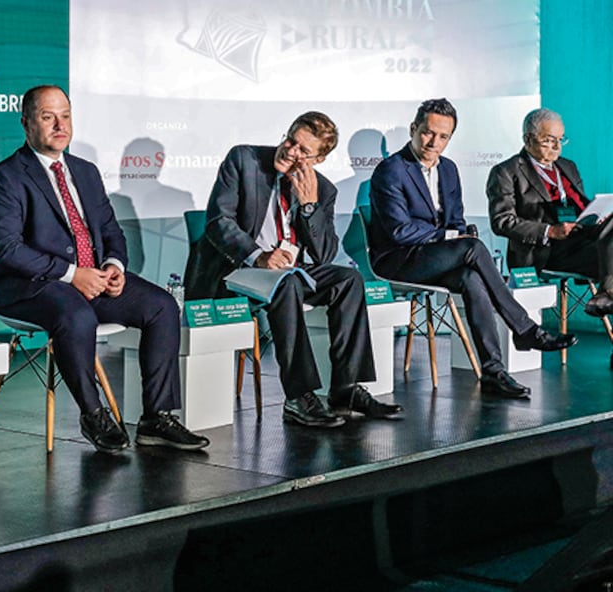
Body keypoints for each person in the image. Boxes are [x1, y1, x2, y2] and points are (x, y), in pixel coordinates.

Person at [0, 85, 208, 454]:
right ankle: (93, 414)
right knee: (76, 314)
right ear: (26, 124)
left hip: (91, 277)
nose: (60, 125)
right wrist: (73, 275)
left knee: (161, 306)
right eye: (47, 116)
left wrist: (113, 266)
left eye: (66, 116)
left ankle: (156, 417)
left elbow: (109, 230)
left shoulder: (84, 172)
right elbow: (8, 251)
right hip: (27, 285)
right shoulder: (6, 176)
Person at [183, 112, 402, 428]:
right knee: (283, 284)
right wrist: (258, 256)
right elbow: (219, 222)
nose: (290, 151)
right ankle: (299, 397)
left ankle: (346, 389)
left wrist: (310, 206)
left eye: (303, 150)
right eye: (290, 140)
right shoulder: (244, 159)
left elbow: (324, 255)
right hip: (237, 270)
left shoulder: (323, 190)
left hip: (291, 272)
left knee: (349, 280)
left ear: (319, 159)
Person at [369, 98, 575, 399]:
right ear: (414, 129)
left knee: (472, 278)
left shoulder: (449, 169)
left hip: (434, 256)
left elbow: (456, 220)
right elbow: (400, 231)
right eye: (428, 132)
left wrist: (455, 234)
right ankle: (525, 329)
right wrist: (450, 236)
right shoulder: (391, 170)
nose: (434, 141)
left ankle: (493, 371)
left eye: (443, 137)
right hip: (398, 259)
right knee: (473, 248)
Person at [487, 107, 613, 318]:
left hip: (581, 237)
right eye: (549, 140)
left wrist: (600, 215)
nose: (556, 146)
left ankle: (607, 293)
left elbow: (581, 205)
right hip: (545, 251)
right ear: (528, 138)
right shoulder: (506, 172)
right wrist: (549, 231)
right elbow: (501, 221)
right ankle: (607, 291)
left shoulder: (567, 166)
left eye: (560, 140)